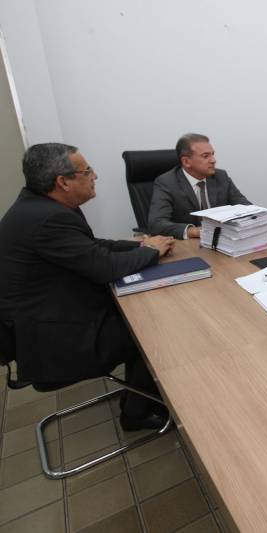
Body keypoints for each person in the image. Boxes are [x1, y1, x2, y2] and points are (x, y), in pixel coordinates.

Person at [0, 143, 175, 430]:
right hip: (53, 339)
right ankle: (136, 413)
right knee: (152, 328)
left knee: (143, 312)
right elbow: (104, 267)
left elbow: (90, 247)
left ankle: (142, 392)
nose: (95, 176)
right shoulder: (48, 218)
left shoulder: (41, 205)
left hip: (46, 316)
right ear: (63, 182)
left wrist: (141, 244)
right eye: (87, 171)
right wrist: (152, 252)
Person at [148, 133, 251, 239]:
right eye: (206, 156)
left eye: (212, 154)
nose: (213, 160)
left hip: (222, 240)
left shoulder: (221, 176)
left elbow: (246, 207)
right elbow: (156, 224)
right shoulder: (167, 183)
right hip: (188, 245)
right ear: (186, 161)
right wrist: (195, 231)